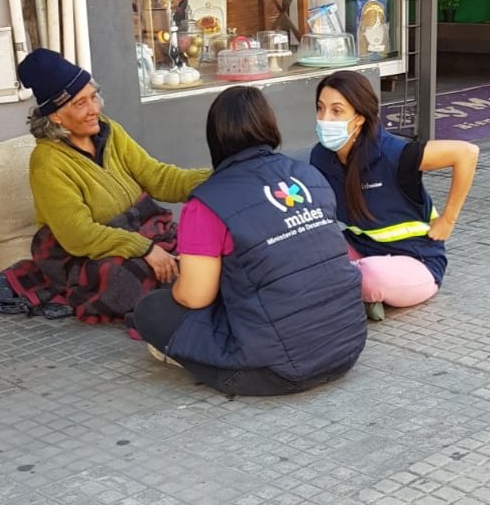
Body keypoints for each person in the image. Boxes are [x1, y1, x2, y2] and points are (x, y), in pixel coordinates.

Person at [133, 86, 367, 396]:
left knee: (153, 309)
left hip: (276, 372)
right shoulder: (308, 176)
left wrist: (175, 283)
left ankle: (195, 360)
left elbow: (194, 297)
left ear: (215, 136)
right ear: (269, 126)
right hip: (346, 346)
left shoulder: (206, 203)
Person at [8, 47, 208, 326]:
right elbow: (79, 234)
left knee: (198, 251)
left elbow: (158, 177)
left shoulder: (108, 130)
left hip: (138, 230)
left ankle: (183, 296)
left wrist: (216, 177)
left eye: (93, 97)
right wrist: (145, 249)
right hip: (83, 252)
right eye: (80, 103)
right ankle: (177, 306)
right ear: (55, 116)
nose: (94, 110)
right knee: (126, 277)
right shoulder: (47, 162)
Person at [310, 70, 479, 321]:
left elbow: (466, 152)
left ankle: (349, 289)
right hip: (362, 249)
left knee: (368, 276)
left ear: (359, 118)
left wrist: (448, 219)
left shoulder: (394, 154)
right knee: (305, 256)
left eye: (336, 111)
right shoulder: (321, 157)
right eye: (320, 108)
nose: (325, 119)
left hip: (416, 261)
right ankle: (353, 292)